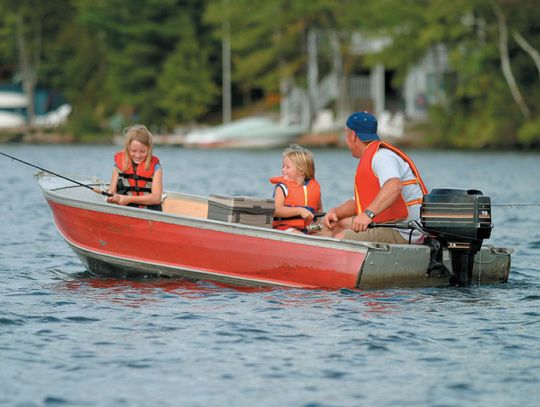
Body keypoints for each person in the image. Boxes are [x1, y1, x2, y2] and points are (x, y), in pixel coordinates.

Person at [323, 111, 428, 243]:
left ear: (352, 136)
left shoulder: (381, 157)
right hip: (393, 226)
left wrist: (368, 215)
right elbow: (358, 202)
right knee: (336, 225)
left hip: (406, 232)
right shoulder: (374, 158)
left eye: (345, 135)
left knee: (341, 238)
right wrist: (336, 212)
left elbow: (394, 186)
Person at [107, 124, 163, 211]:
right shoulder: (118, 167)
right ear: (127, 149)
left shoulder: (156, 168)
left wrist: (128, 199)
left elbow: (156, 198)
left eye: (142, 151)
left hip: (149, 212)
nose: (138, 155)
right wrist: (110, 198)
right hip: (125, 211)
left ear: (149, 149)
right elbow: (111, 191)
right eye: (133, 151)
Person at [270, 144, 323, 234]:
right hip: (285, 228)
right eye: (283, 166)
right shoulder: (282, 188)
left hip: (308, 228)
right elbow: (277, 210)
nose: (283, 170)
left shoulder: (314, 187)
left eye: (287, 167)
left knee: (329, 230)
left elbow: (319, 210)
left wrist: (315, 228)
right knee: (300, 235)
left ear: (301, 171)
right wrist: (299, 210)